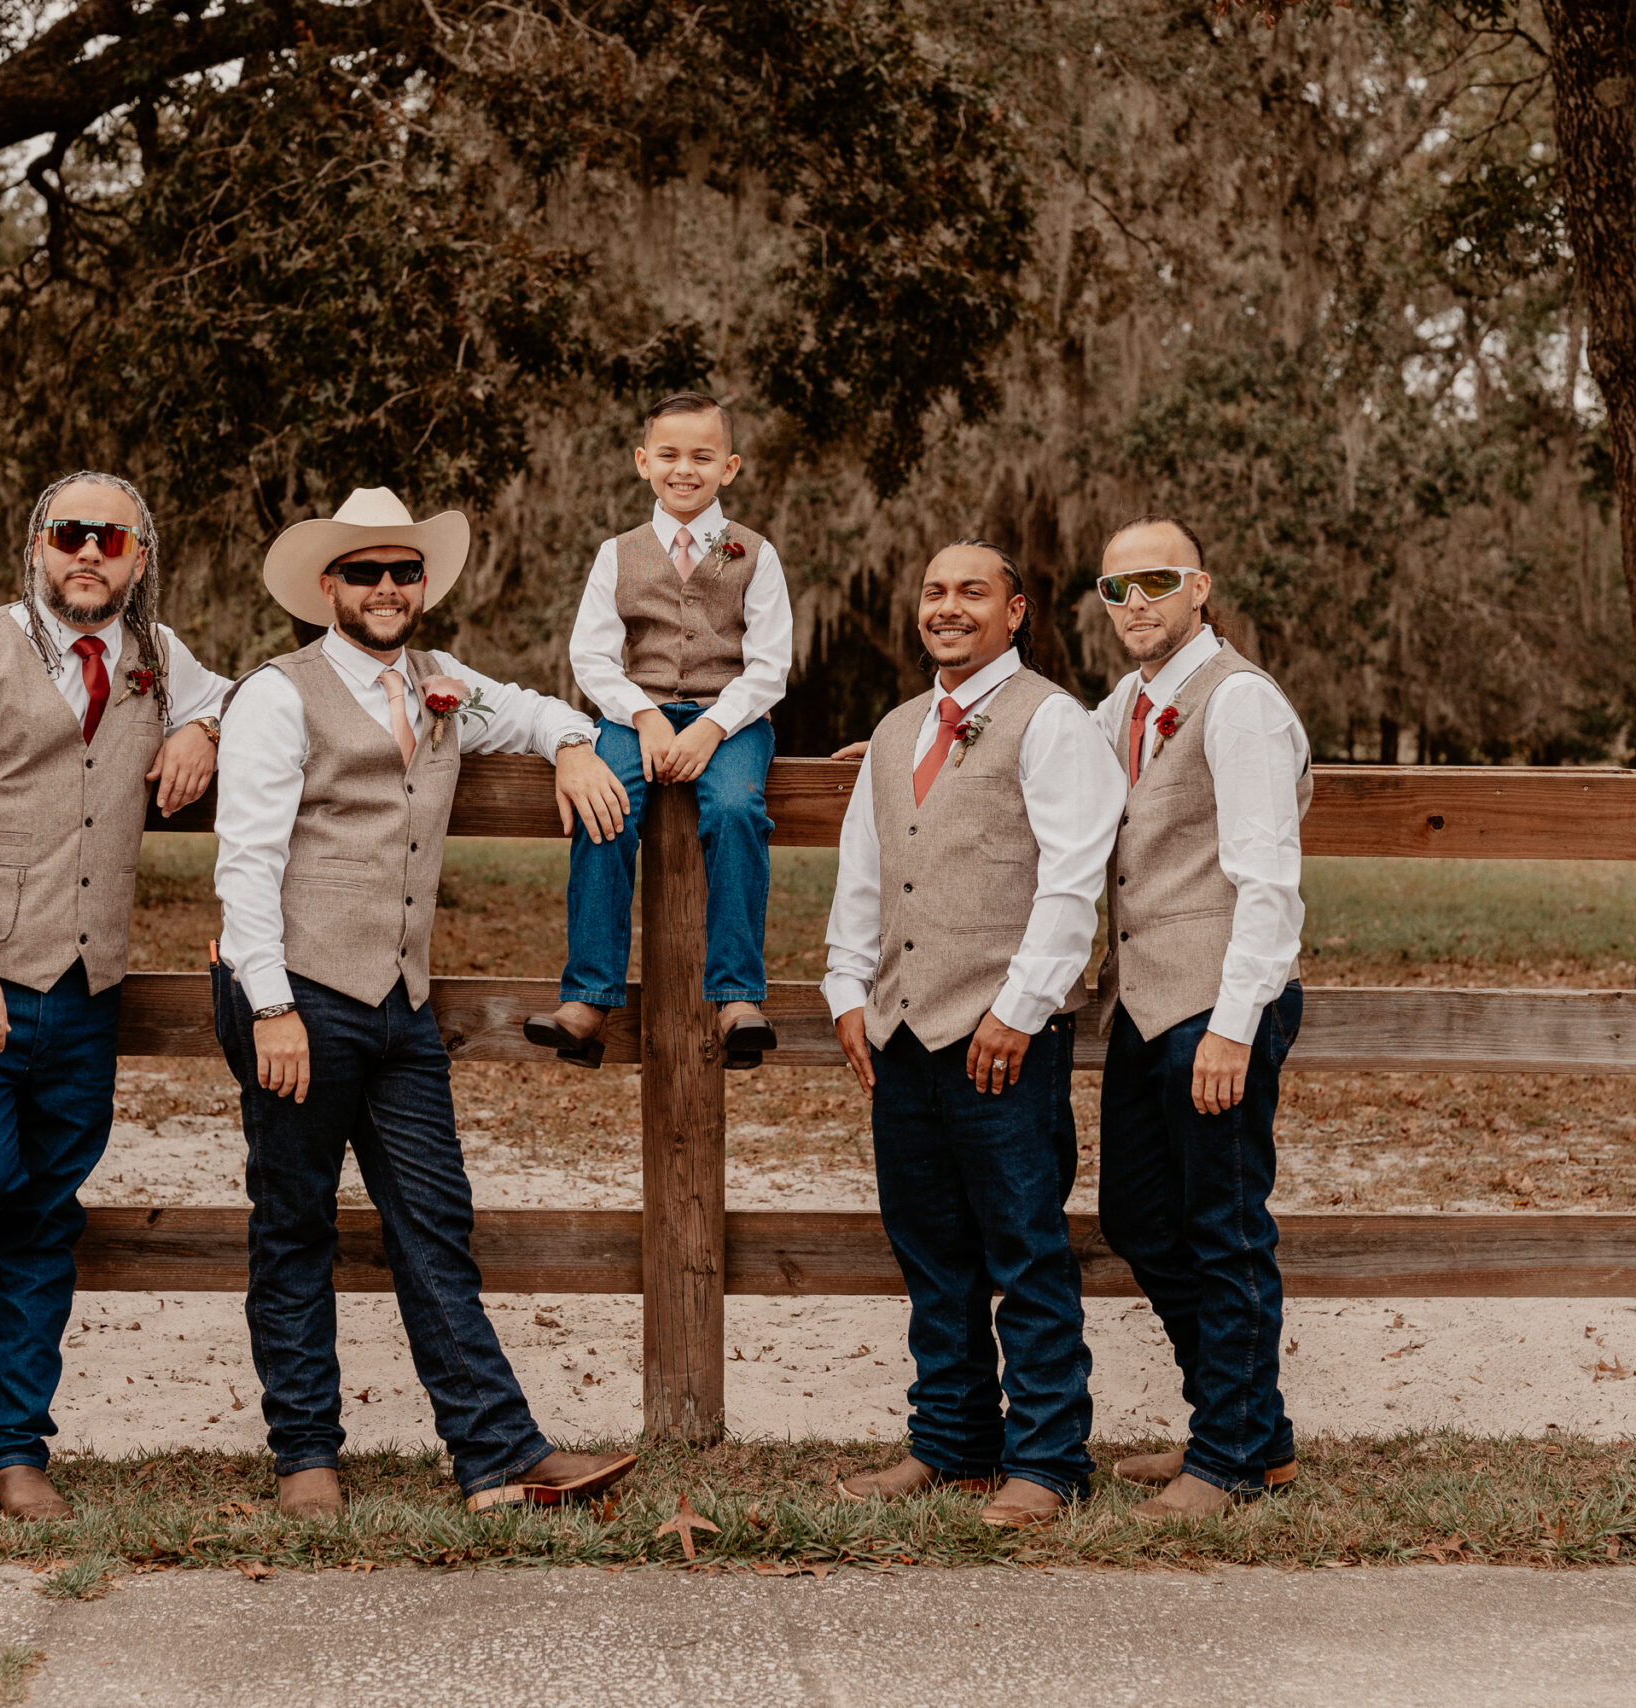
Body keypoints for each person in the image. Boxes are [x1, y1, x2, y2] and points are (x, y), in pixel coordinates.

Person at [211, 487, 640, 1516]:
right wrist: (270, 1006)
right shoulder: (279, 693)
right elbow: (247, 859)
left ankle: (493, 1454)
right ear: (330, 587)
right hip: (296, 996)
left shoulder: (443, 682)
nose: (388, 588)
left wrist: (575, 744)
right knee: (294, 1224)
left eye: (404, 570)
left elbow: (540, 712)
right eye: (365, 572)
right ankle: (304, 1454)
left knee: (434, 1221)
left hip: (399, 1001)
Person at [0, 472, 227, 1520]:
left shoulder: (159, 659)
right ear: (35, 547)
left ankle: (8, 1451)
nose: (90, 552)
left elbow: (244, 691)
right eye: (68, 534)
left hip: (88, 984)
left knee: (46, 1216)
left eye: (112, 538)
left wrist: (200, 730)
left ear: (139, 556)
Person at [821, 540, 1123, 1528]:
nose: (948, 607)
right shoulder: (897, 726)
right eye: (935, 592)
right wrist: (843, 989)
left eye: (971, 592)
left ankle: (1046, 1458)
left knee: (1024, 1246)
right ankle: (950, 1444)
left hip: (1003, 1031)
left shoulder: (1051, 722)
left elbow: (1072, 878)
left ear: (1015, 609)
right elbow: (865, 873)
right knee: (930, 1247)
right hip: (902, 1027)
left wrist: (1018, 1006)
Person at [1088, 515, 1312, 1518]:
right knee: (1135, 1215)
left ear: (1199, 588)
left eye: (1155, 581)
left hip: (1214, 1003)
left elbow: (1268, 878)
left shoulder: (1239, 703)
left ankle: (1223, 1455)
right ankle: (1253, 1430)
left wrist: (1231, 1022)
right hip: (1142, 1004)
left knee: (1221, 1228)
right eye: (1114, 588)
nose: (1134, 603)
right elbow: (1037, 758)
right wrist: (901, 741)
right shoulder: (1131, 702)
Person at [524, 391, 793, 1068]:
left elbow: (770, 666)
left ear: (728, 467)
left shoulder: (755, 555)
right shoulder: (617, 554)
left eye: (702, 456)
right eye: (669, 455)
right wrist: (641, 714)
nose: (685, 469)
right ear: (644, 462)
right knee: (603, 808)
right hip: (631, 713)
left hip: (731, 718)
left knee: (735, 810)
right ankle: (588, 997)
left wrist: (711, 729)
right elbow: (589, 656)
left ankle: (736, 997)